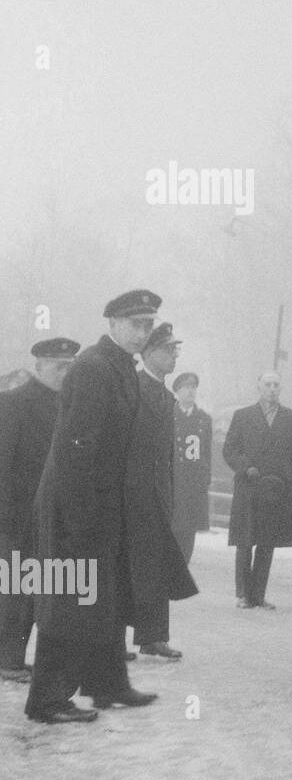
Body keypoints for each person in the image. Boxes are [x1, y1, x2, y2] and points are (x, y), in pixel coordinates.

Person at [25, 289, 163, 724]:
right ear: (112, 324)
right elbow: (77, 449)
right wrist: (82, 517)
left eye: (148, 324)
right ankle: (46, 700)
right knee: (70, 598)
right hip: (76, 504)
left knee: (107, 596)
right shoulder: (93, 368)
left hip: (103, 502)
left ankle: (108, 683)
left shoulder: (119, 365)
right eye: (135, 323)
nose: (143, 331)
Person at [0, 338, 78, 682]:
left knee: (33, 594)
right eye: (58, 365)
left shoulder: (68, 406)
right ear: (39, 367)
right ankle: (8, 661)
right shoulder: (13, 403)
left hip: (49, 516)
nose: (65, 372)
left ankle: (14, 658)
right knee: (13, 593)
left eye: (69, 366)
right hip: (15, 516)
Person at [126, 324, 198, 659]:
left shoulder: (166, 396)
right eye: (168, 350)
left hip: (156, 496)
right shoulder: (132, 388)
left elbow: (166, 455)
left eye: (175, 349)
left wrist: (167, 495)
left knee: (155, 565)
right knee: (123, 566)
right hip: (130, 495)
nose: (174, 356)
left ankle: (153, 636)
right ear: (149, 352)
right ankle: (113, 639)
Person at [223, 372, 292, 610]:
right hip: (249, 488)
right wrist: (245, 466)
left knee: (267, 543)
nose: (272, 389)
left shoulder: (291, 418)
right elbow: (229, 450)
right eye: (267, 385)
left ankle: (258, 594)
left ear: (281, 389)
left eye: (276, 385)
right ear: (258, 387)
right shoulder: (243, 416)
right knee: (245, 541)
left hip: (276, 490)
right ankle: (242, 594)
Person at [170, 371, 212, 564]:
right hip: (172, 482)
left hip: (193, 484)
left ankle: (181, 571)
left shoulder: (203, 419)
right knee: (171, 529)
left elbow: (206, 453)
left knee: (188, 533)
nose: (190, 391)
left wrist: (204, 480)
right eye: (186, 387)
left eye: (193, 387)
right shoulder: (169, 415)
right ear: (177, 391)